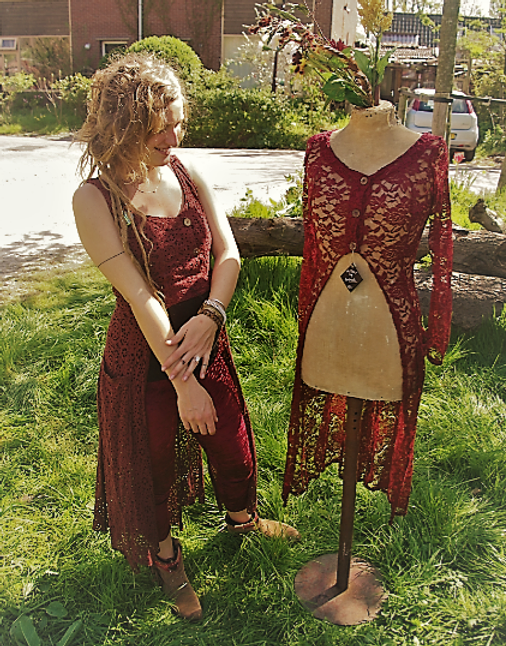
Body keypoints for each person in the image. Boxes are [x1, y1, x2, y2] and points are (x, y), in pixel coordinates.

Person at [73, 52, 298, 622]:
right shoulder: (94, 199)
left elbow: (228, 253)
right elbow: (142, 297)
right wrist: (182, 383)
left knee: (232, 442)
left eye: (179, 121)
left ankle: (243, 519)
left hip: (205, 335)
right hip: (148, 353)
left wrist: (213, 315)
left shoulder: (185, 172)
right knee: (152, 465)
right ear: (125, 126)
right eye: (161, 128)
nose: (176, 135)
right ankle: (167, 557)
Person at [283, 100, 453, 520]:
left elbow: (442, 247)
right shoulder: (318, 152)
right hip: (326, 327)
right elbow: (312, 250)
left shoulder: (428, 154)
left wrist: (438, 331)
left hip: (389, 333)